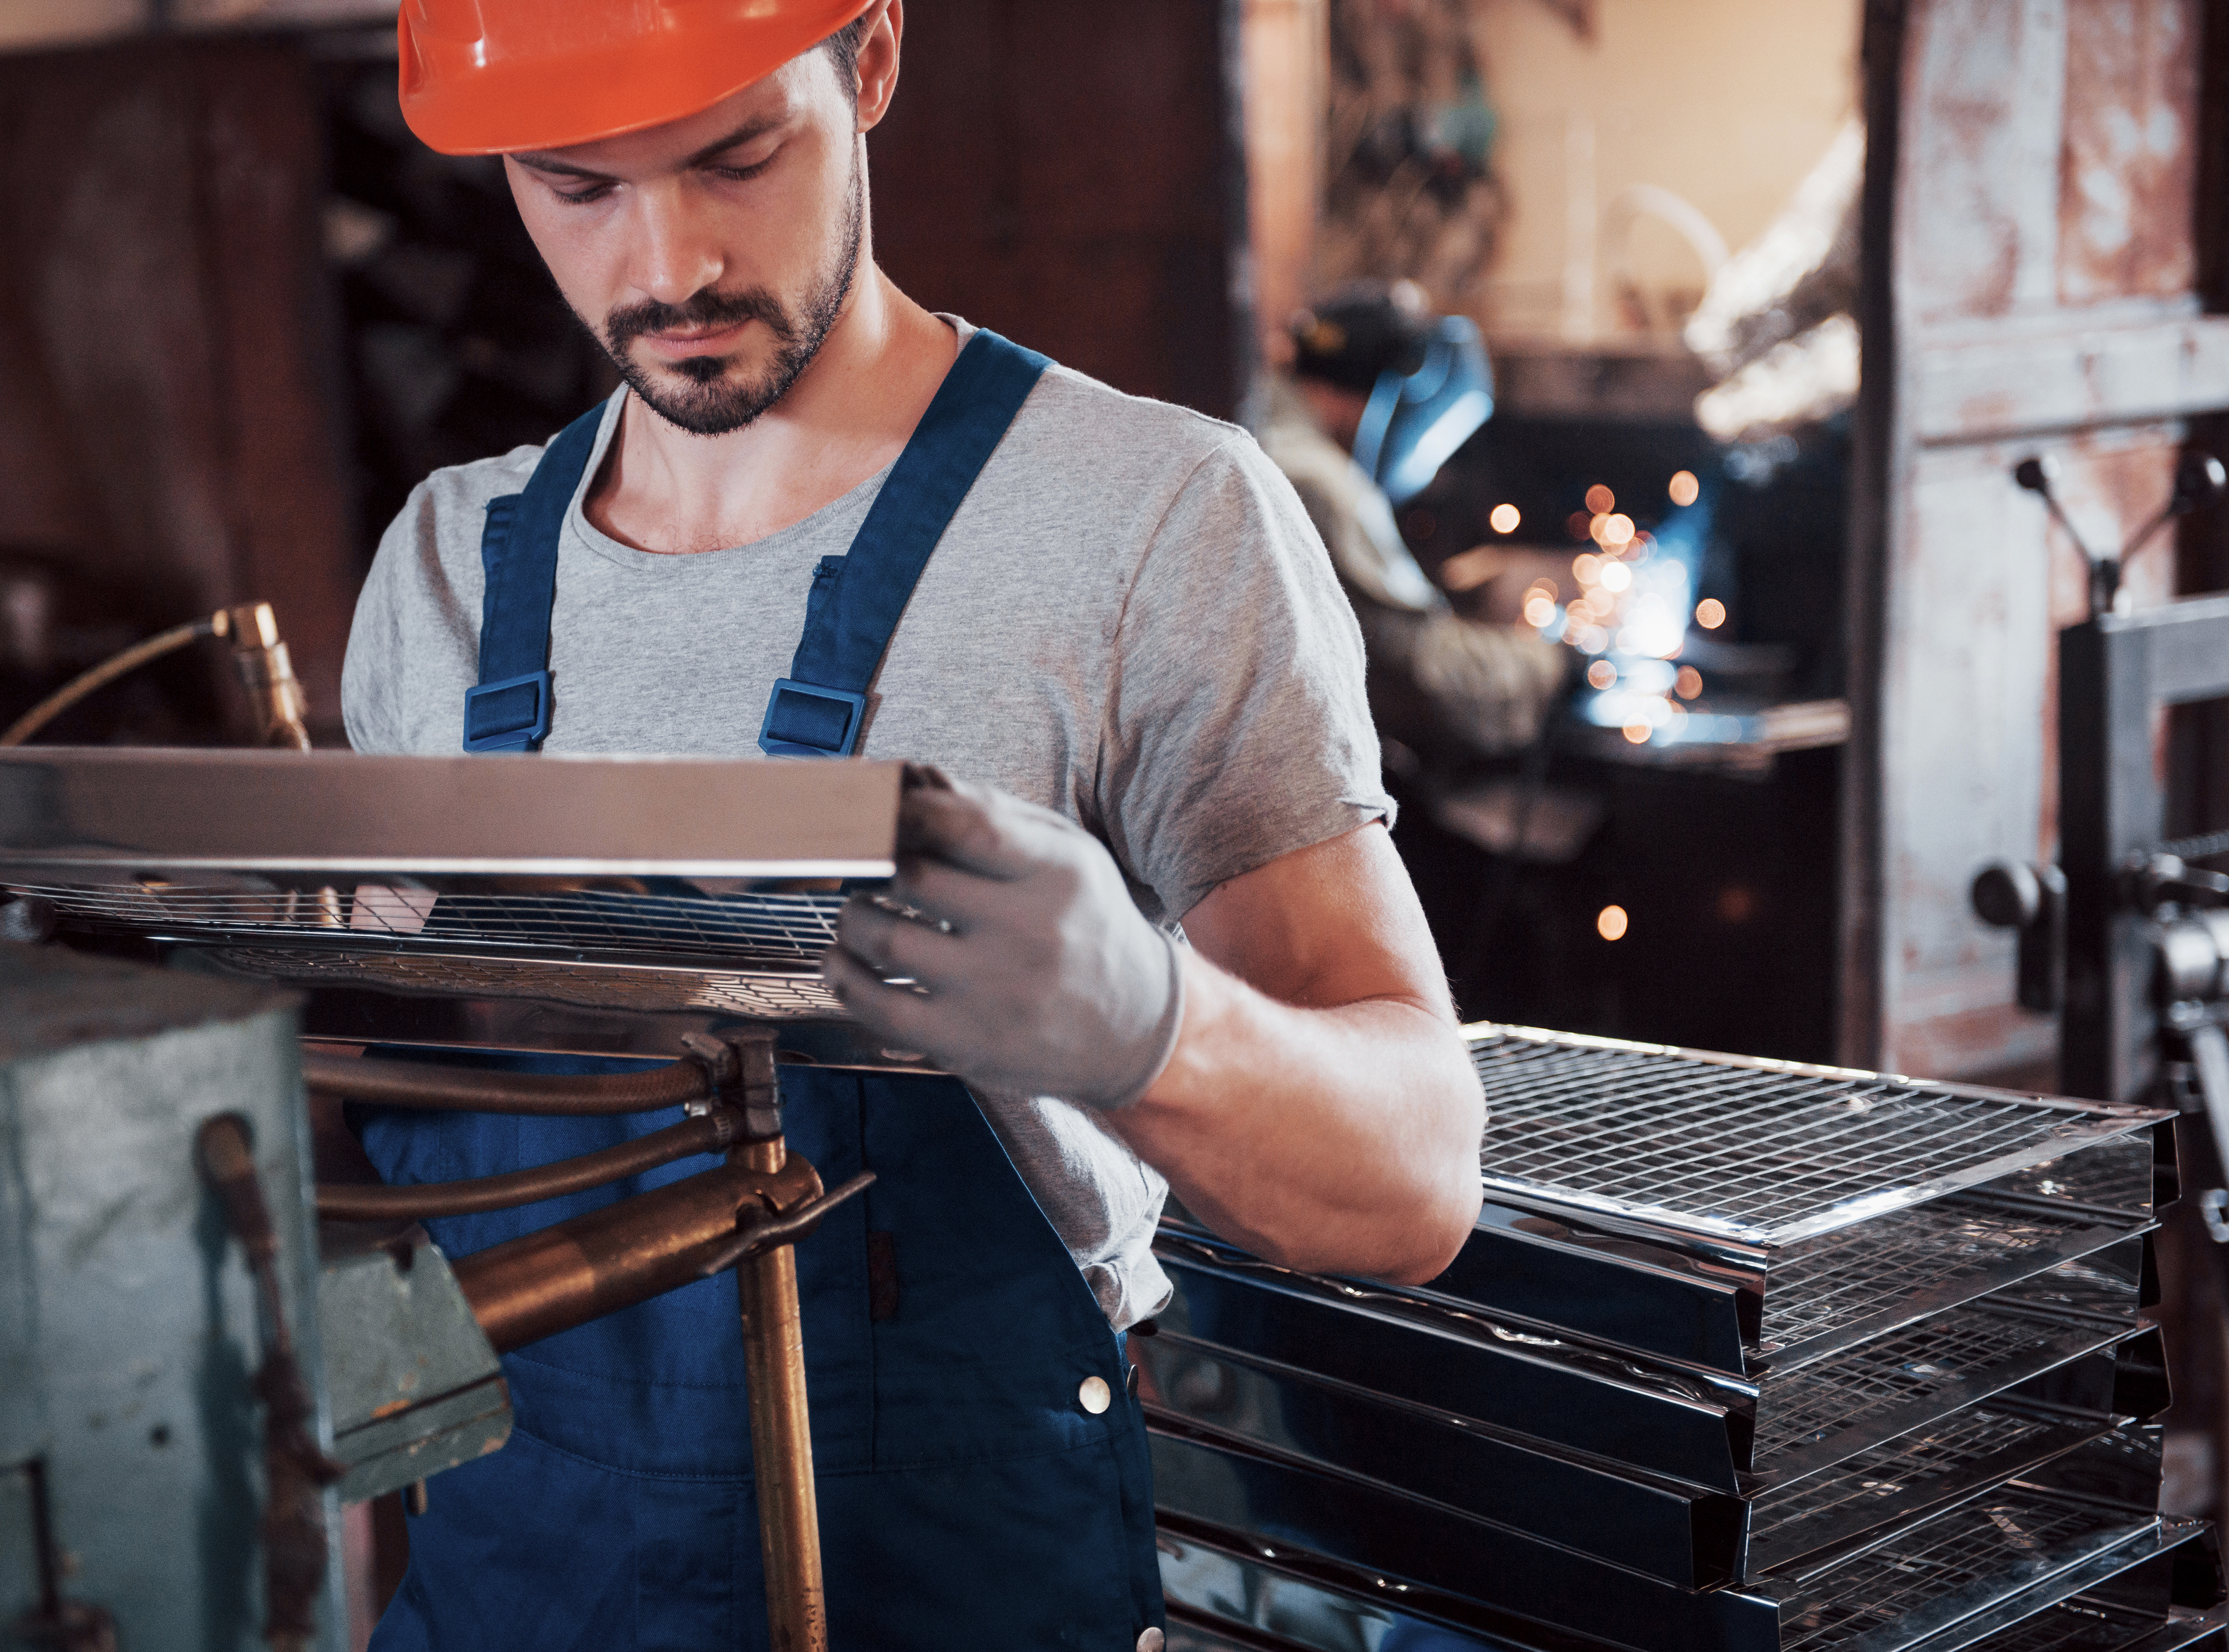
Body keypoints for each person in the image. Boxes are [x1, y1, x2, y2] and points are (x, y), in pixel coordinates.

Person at [342, 3, 1486, 1646]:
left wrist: (1156, 1033)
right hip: (515, 1586)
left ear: (870, 61)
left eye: (738, 154)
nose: (668, 264)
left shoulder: (1151, 521)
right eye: (575, 184)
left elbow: (1415, 1177)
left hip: (947, 1582)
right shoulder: (444, 570)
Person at [1257, 285, 1564, 763]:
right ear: (1395, 391)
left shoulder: (1261, 441)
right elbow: (1422, 679)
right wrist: (1556, 662)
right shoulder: (1315, 481)